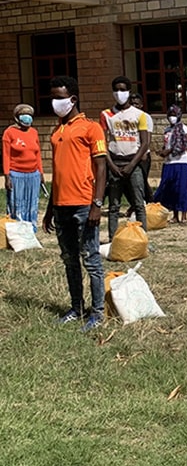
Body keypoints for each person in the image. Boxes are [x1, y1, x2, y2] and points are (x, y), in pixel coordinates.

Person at [42, 75, 107, 332]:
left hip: (83, 204)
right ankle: (76, 308)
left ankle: (98, 312)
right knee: (69, 259)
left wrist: (97, 204)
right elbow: (58, 173)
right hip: (61, 206)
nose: (55, 102)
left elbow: (101, 168)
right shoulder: (57, 131)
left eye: (59, 97)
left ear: (73, 99)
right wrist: (49, 209)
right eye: (53, 97)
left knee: (90, 258)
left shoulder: (91, 128)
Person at [100, 75, 150, 240]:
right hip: (115, 163)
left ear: (129, 92)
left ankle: (142, 238)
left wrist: (131, 165)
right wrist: (111, 166)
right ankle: (112, 239)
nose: (119, 93)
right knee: (113, 206)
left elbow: (144, 143)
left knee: (138, 204)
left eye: (122, 90)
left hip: (133, 164)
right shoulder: (106, 115)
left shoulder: (139, 115)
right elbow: (102, 143)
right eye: (116, 90)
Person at [3, 104, 44, 231]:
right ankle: (18, 231)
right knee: (17, 203)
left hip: (33, 175)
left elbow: (37, 154)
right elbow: (6, 155)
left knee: (32, 202)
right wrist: (7, 176)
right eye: (24, 115)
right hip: (16, 175)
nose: (28, 118)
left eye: (30, 115)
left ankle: (31, 229)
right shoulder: (9, 133)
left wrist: (41, 173)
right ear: (17, 118)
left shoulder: (34, 132)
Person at [153, 105, 187, 225]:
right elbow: (166, 144)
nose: (172, 117)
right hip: (169, 162)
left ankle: (183, 215)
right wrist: (162, 151)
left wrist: (169, 151)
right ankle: (174, 215)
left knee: (181, 188)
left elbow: (183, 145)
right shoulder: (167, 130)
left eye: (174, 115)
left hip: (181, 162)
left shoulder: (184, 128)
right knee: (170, 188)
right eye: (170, 115)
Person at [129, 92, 155, 204]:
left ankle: (150, 202)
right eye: (132, 103)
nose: (134, 106)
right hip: (131, 154)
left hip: (142, 155)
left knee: (142, 180)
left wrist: (143, 152)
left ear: (141, 105)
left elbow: (147, 138)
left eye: (136, 104)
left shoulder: (145, 117)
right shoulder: (129, 116)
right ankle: (136, 204)